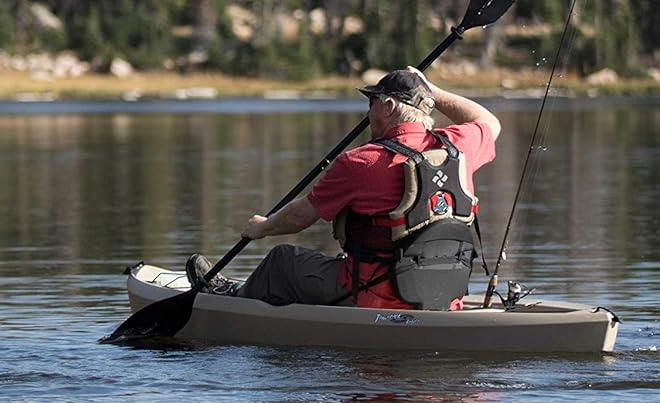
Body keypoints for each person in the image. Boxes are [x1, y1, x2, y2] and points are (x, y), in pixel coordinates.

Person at [187, 67, 500, 310]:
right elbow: (488, 121)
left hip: (374, 295)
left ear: (389, 106)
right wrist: (433, 91)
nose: (368, 112)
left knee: (282, 261)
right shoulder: (459, 146)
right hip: (446, 292)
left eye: (372, 102)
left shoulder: (361, 161)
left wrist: (262, 227)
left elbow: (300, 216)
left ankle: (233, 300)